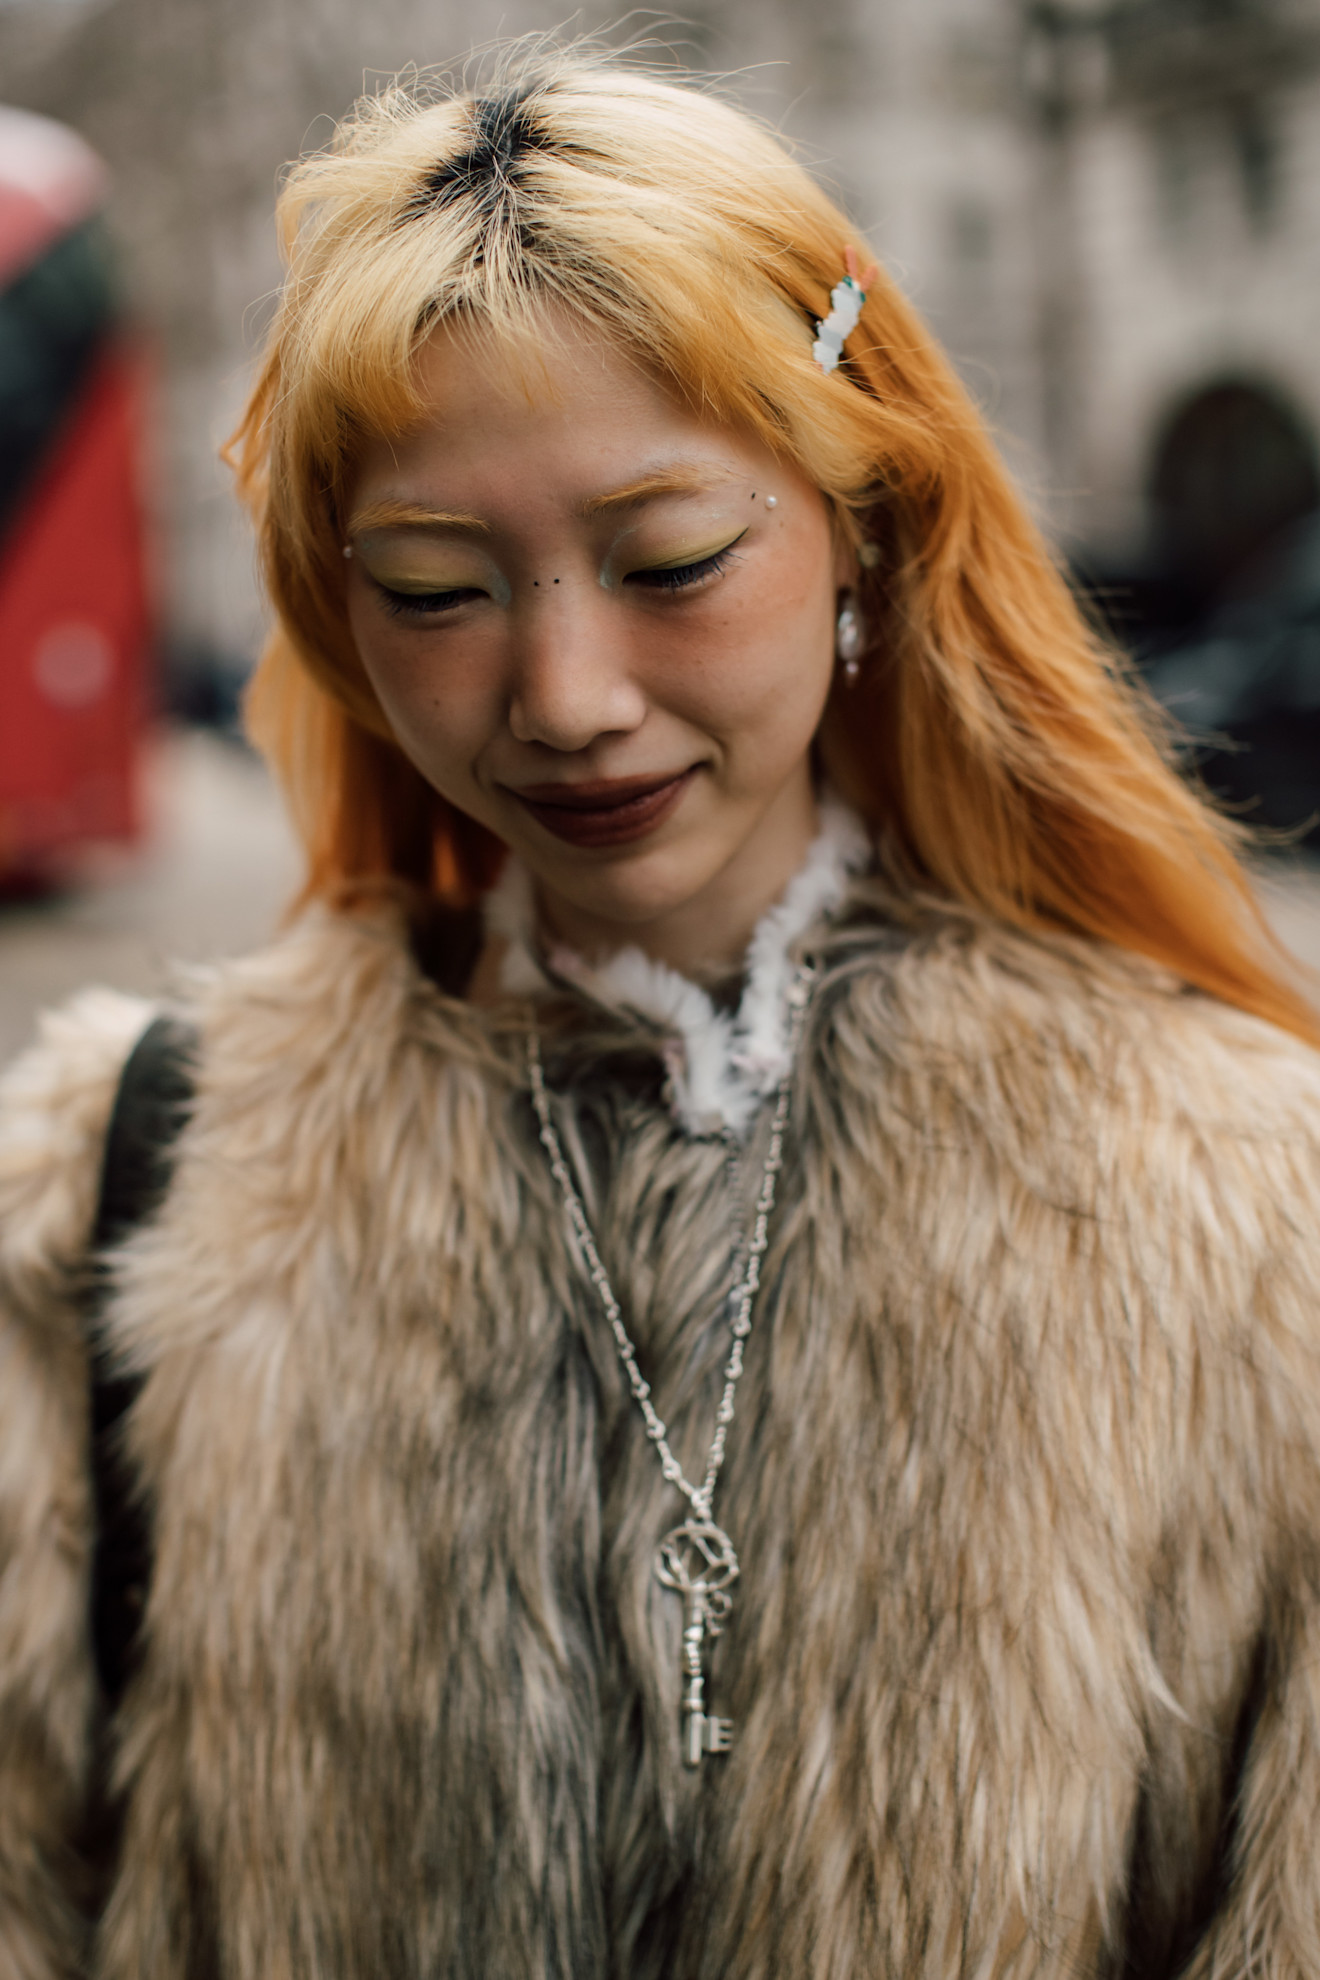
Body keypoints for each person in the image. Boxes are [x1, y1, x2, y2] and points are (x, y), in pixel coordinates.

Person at [3, 42, 1320, 1980]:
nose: (565, 694)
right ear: (336, 617)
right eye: (438, 589)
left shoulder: (1243, 1196)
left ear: (863, 520)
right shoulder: (122, 1191)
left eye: (672, 561)